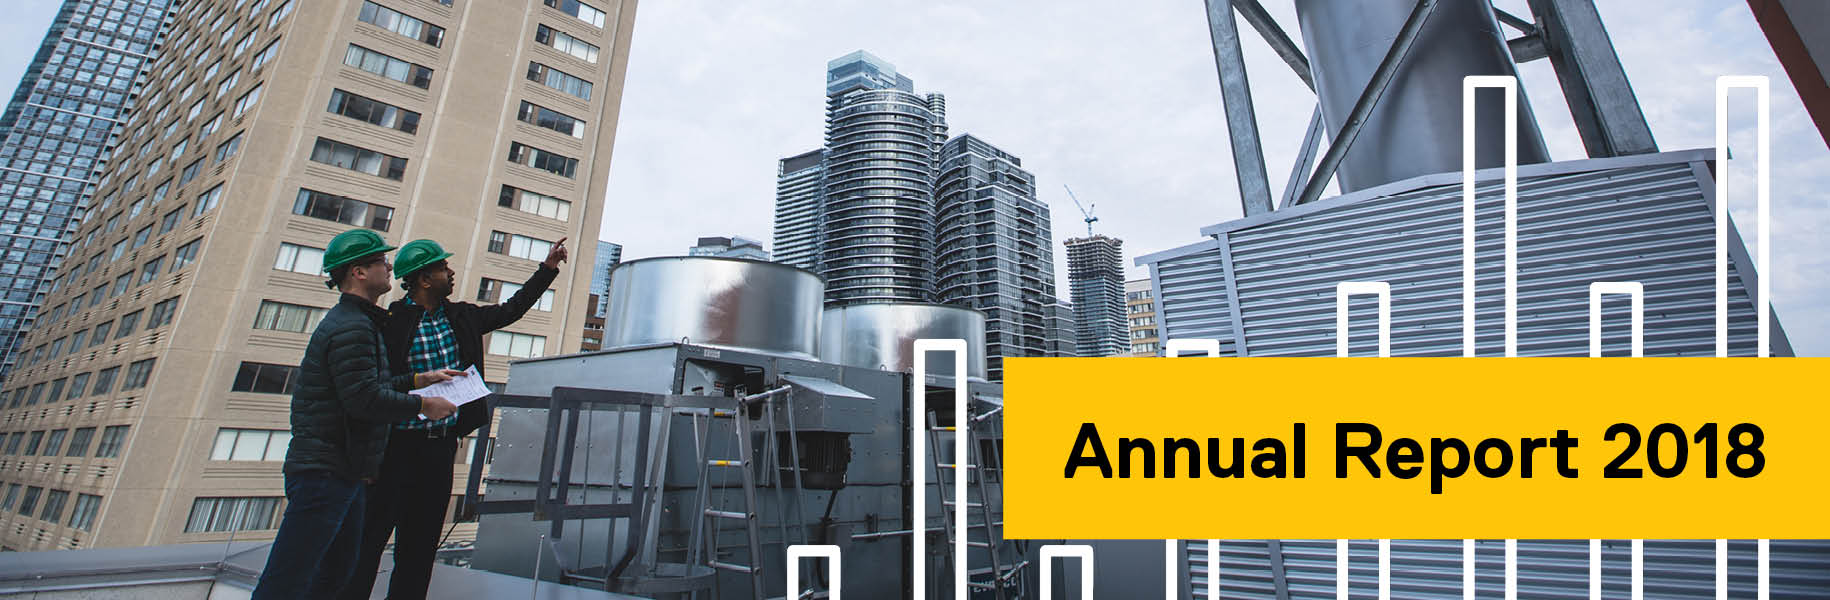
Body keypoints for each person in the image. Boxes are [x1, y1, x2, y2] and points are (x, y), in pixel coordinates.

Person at [338, 236, 568, 600]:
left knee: (418, 550)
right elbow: (372, 386)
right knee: (367, 545)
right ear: (424, 280)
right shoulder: (391, 323)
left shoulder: (462, 316)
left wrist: (547, 270)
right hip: (393, 451)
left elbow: (512, 309)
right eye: (443, 269)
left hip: (439, 449)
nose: (451, 272)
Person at [252, 229, 463, 600]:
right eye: (381, 261)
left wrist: (418, 378)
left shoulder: (364, 322)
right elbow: (363, 399)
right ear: (358, 272)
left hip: (346, 470)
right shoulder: (353, 326)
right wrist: (423, 404)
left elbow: (369, 383)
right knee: (290, 580)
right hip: (325, 472)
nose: (389, 267)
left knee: (336, 574)